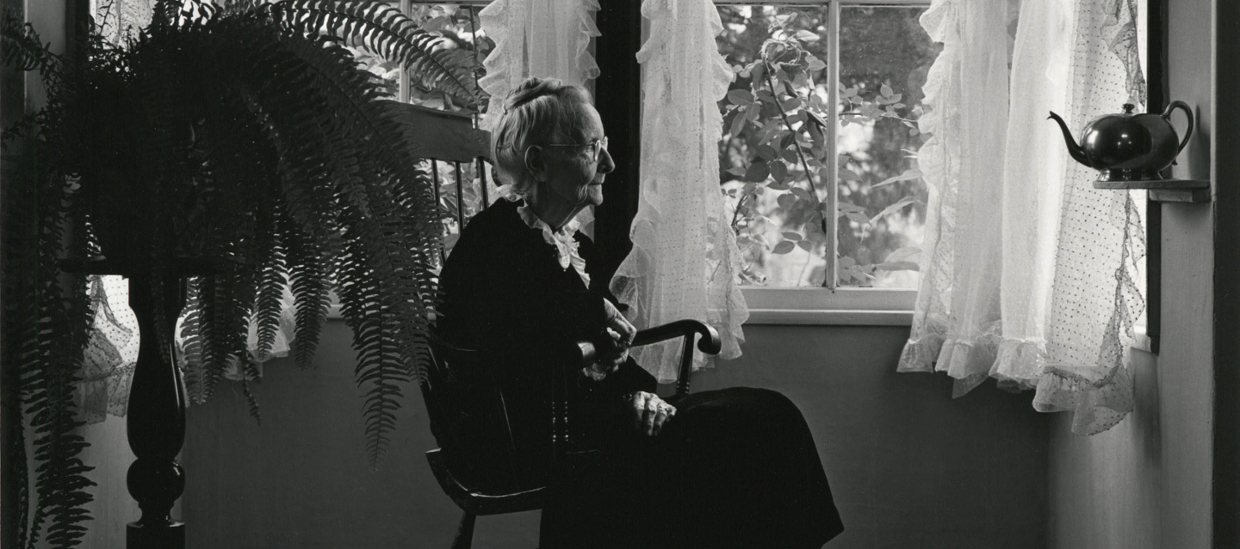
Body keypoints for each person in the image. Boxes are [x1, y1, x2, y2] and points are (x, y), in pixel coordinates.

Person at [435, 77, 844, 549]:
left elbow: (579, 335)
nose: (608, 162)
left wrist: (631, 383)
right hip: (533, 437)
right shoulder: (498, 246)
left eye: (604, 146)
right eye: (592, 148)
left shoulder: (562, 243)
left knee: (768, 414)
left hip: (580, 417)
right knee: (751, 431)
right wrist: (615, 382)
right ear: (539, 163)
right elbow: (515, 364)